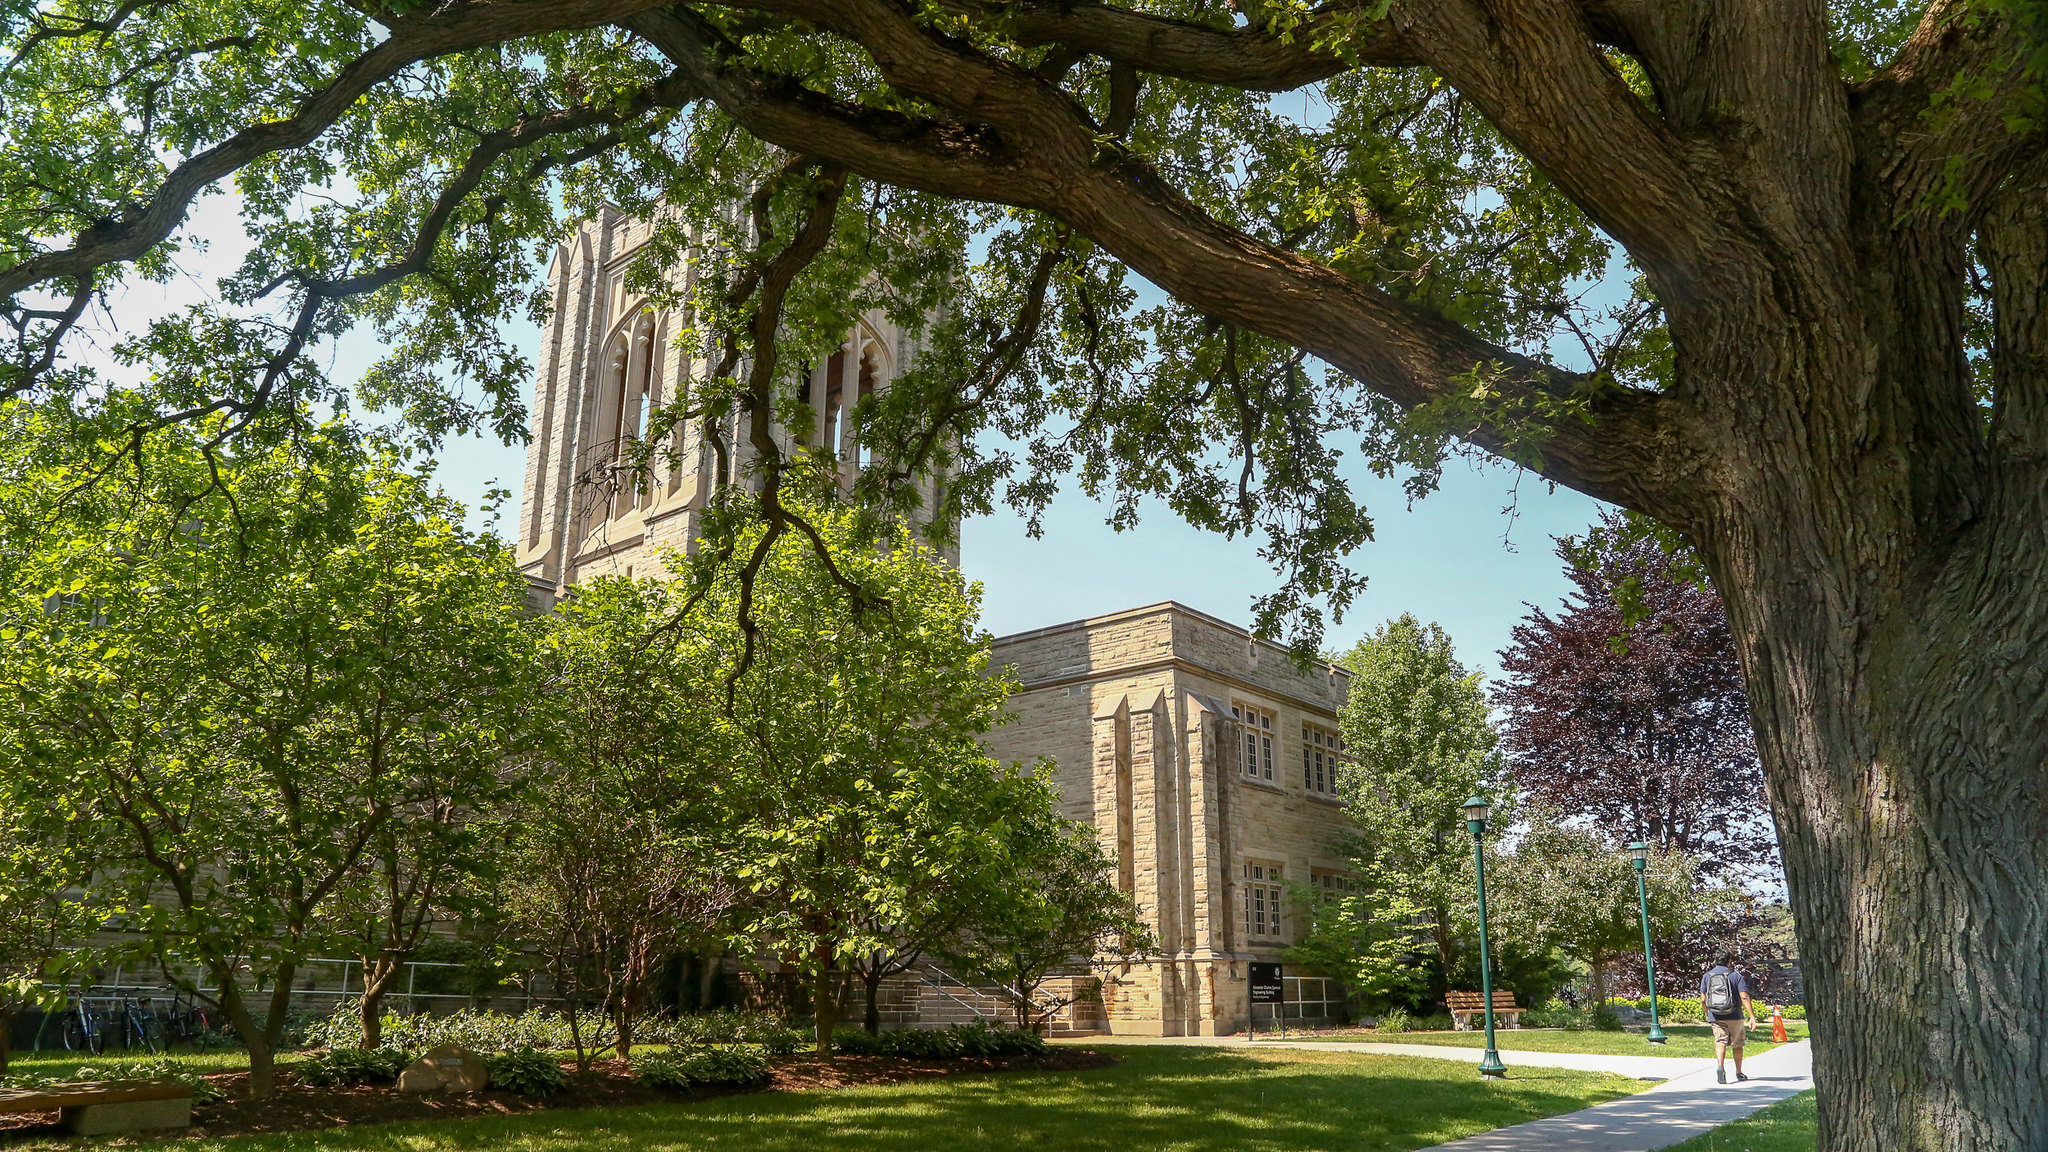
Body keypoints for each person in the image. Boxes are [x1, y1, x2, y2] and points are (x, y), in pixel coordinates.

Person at [1701, 953, 1757, 1083]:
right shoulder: (1735, 976)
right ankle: (1739, 1072)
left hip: (1715, 1015)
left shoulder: (1707, 976)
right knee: (1738, 1044)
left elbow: (1703, 999)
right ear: (1729, 961)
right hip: (1734, 1015)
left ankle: (1720, 1066)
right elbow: (1744, 996)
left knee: (1720, 1041)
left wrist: (1708, 1012)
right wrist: (1752, 1016)